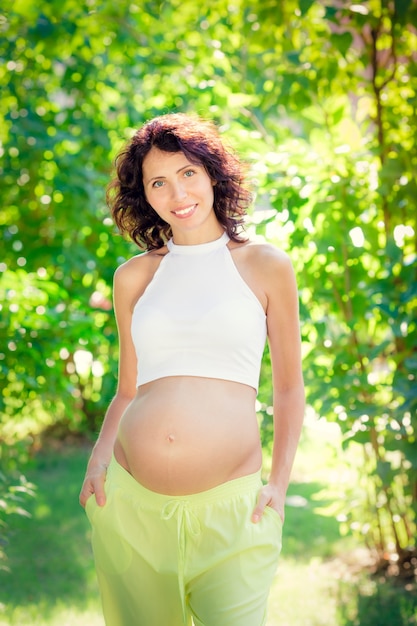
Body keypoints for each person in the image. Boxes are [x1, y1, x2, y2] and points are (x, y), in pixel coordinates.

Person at [79, 112, 305, 626]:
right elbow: (127, 390)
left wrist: (280, 484)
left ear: (212, 175)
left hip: (234, 511)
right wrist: (97, 461)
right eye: (158, 182)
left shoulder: (265, 265)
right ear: (145, 195)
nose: (177, 192)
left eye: (187, 174)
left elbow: (290, 389)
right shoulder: (133, 277)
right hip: (131, 508)